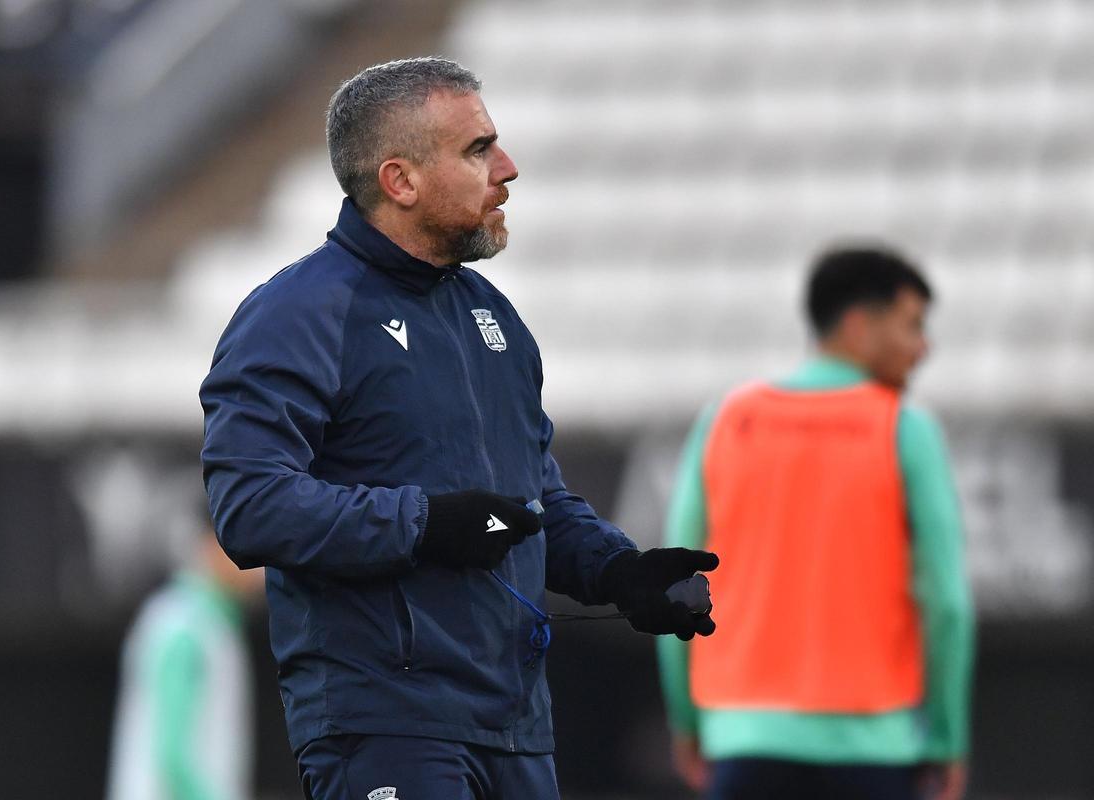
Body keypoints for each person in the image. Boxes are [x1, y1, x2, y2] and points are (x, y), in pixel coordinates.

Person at [199, 56, 717, 799]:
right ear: (400, 180)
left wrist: (617, 571)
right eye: (478, 150)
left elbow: (532, 503)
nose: (507, 169)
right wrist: (425, 523)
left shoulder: (494, 320)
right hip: (385, 725)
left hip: (516, 727)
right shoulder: (298, 314)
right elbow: (250, 507)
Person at [658, 247, 975, 800]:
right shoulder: (905, 428)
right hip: (877, 748)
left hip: (743, 741)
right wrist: (945, 738)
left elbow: (675, 583)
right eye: (912, 326)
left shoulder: (727, 420)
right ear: (857, 325)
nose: (924, 347)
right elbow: (946, 602)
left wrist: (689, 720)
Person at [105, 524, 264, 800]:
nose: (263, 567)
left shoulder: (201, 622)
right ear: (212, 544)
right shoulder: (187, 626)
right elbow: (173, 756)